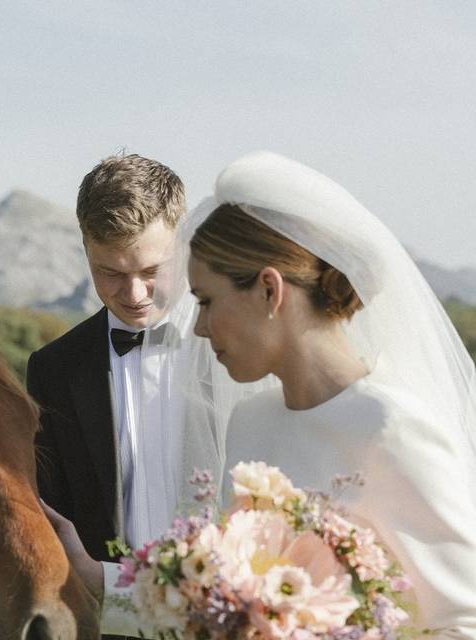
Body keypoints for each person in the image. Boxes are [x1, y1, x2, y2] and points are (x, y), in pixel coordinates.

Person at [48, 150, 476, 638]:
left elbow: (465, 621)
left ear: (270, 291)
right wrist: (99, 580)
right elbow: (216, 603)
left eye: (207, 301)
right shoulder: (249, 423)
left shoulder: (391, 428)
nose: (200, 327)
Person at [28, 153, 231, 637]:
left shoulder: (236, 347)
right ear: (85, 250)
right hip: (110, 625)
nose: (134, 292)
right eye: (110, 273)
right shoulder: (53, 369)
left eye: (150, 269)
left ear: (182, 244)